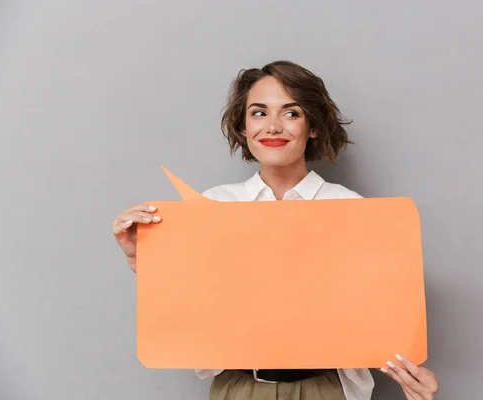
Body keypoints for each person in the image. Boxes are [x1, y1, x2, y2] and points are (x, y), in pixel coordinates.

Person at [112, 60, 439, 400]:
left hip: (325, 388)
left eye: (291, 113)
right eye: (258, 113)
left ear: (312, 126)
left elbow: (378, 309)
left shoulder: (350, 206)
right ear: (242, 126)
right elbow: (189, 306)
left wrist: (410, 371)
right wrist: (141, 260)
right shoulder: (213, 206)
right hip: (239, 387)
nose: (272, 126)